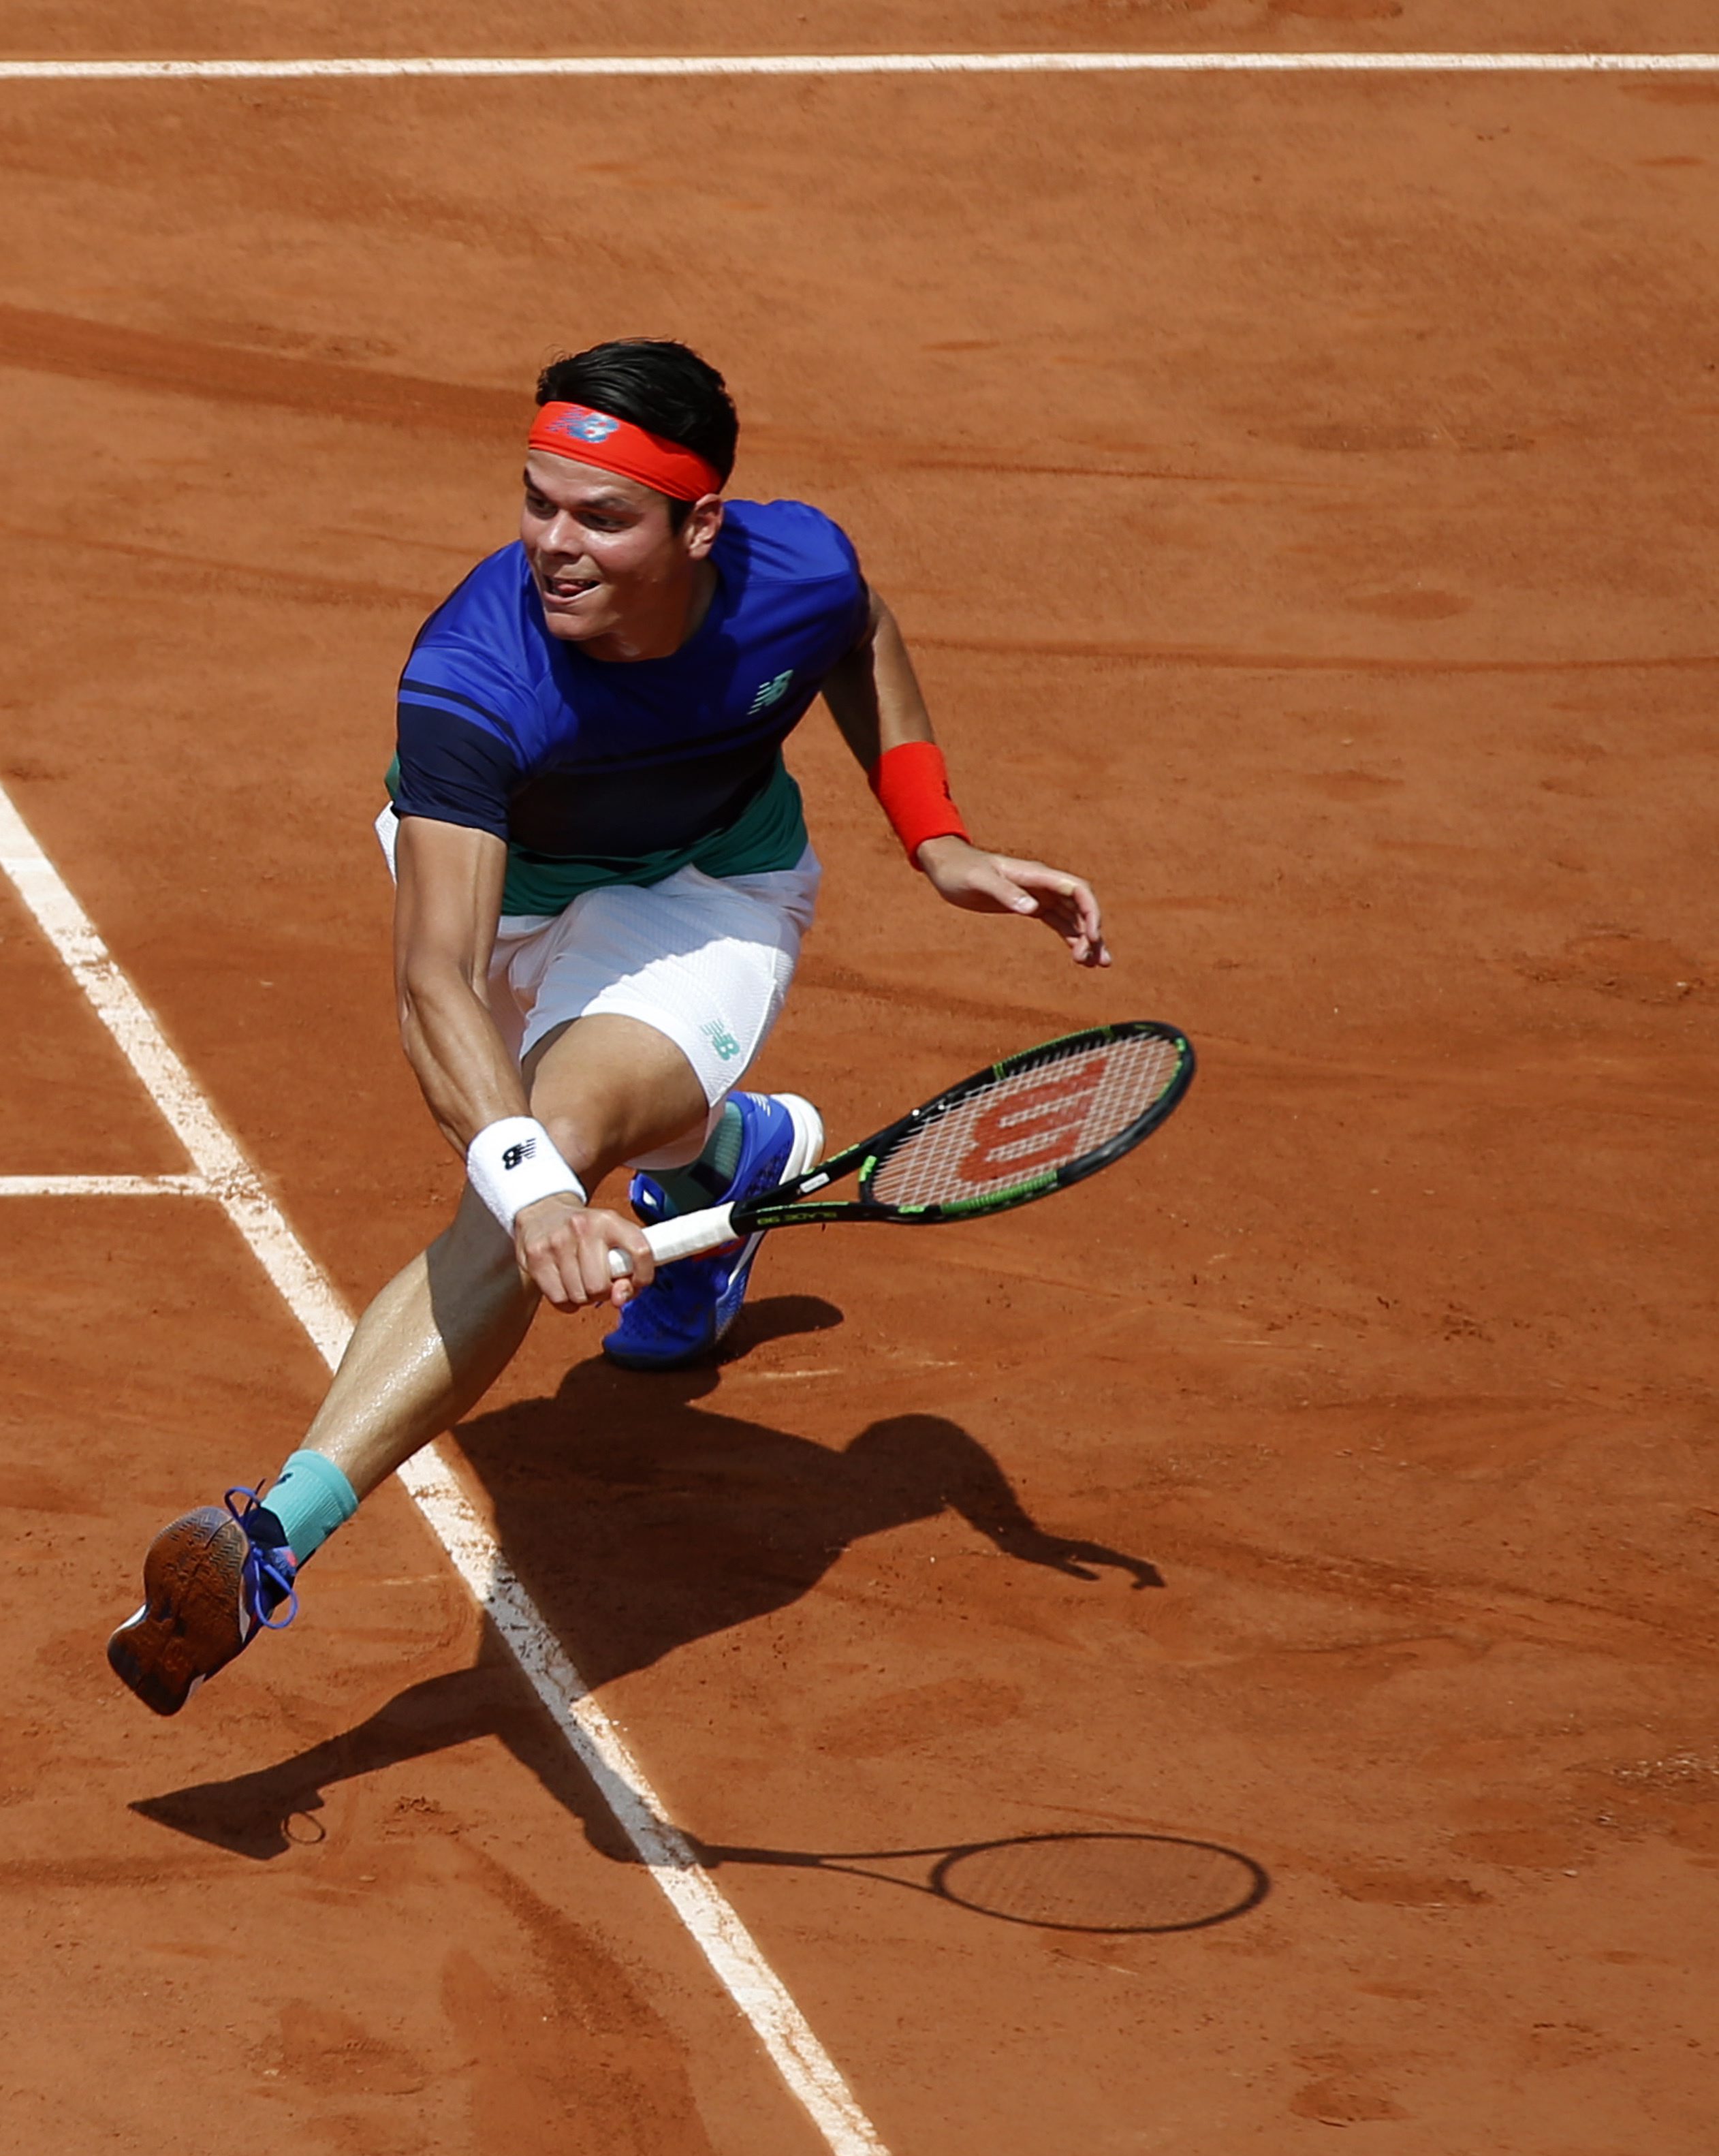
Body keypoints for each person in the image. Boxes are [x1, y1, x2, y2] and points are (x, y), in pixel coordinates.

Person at [108, 337, 1109, 1718]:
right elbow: (436, 983)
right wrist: (529, 1199)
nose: (551, 545)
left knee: (559, 1129)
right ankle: (728, 1159)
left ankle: (272, 1535)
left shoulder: (796, 566)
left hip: (703, 898)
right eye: (536, 502)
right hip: (501, 905)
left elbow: (857, 628)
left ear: (701, 524)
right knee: (526, 1165)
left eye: (599, 516)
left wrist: (932, 832)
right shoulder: (474, 672)